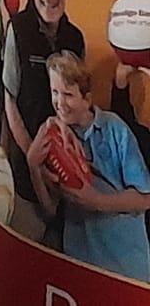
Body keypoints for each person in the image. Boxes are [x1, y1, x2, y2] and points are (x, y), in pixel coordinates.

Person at [28, 51, 150, 281]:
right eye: (55, 93)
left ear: (87, 99)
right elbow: (51, 209)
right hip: (82, 260)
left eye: (68, 94)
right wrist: (33, 166)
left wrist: (96, 201)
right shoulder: (52, 137)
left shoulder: (115, 129)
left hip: (127, 261)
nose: (60, 103)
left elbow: (145, 198)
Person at [1, 0, 90, 243]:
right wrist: (32, 159)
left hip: (65, 175)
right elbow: (9, 101)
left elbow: (76, 106)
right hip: (25, 173)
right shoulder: (18, 30)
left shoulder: (75, 39)